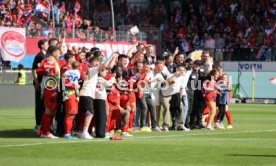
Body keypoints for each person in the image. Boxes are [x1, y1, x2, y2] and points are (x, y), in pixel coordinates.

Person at [79, 53, 118, 139]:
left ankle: (84, 131)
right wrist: (111, 57)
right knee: (90, 113)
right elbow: (103, 66)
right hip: (86, 93)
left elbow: (107, 67)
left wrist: (112, 59)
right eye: (95, 63)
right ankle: (84, 132)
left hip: (88, 94)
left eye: (98, 63)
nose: (97, 65)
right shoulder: (91, 70)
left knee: (88, 113)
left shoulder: (94, 72)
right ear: (90, 64)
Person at [36, 47, 61, 138]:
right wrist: (47, 72)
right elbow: (38, 70)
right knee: (49, 109)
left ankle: (43, 130)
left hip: (56, 87)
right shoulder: (45, 61)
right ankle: (45, 132)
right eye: (58, 53)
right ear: (53, 53)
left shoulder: (57, 62)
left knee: (53, 111)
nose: (59, 55)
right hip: (49, 87)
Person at [93, 53, 117, 138]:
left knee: (98, 116)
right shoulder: (101, 79)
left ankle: (98, 132)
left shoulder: (94, 78)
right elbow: (109, 84)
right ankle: (101, 133)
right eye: (103, 71)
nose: (105, 72)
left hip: (95, 98)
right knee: (102, 117)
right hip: (100, 99)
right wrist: (113, 77)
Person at [32, 39, 48, 132]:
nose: (48, 45)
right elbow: (34, 69)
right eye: (46, 44)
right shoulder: (39, 56)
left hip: (44, 82)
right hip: (39, 82)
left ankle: (42, 123)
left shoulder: (45, 56)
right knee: (39, 104)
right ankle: (38, 124)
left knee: (43, 104)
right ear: (42, 45)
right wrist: (36, 81)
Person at [63, 61, 80, 139]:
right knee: (70, 114)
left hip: (71, 94)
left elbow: (64, 83)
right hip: (71, 94)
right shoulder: (77, 72)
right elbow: (65, 83)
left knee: (71, 114)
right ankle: (67, 133)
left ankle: (69, 132)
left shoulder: (66, 72)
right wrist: (75, 86)